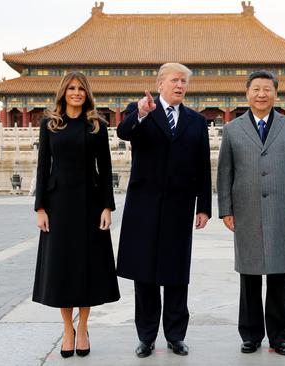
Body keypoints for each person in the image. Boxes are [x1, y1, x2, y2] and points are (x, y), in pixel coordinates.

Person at [116, 62, 212, 358]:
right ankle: (146, 337)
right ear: (160, 85)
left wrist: (204, 207)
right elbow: (123, 132)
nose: (180, 86)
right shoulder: (142, 109)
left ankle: (175, 335)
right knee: (144, 274)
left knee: (175, 273)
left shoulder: (196, 122)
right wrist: (142, 114)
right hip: (143, 206)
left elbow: (202, 167)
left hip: (179, 207)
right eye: (174, 80)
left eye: (184, 81)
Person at [217, 70, 285, 356]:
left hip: (281, 209)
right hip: (246, 210)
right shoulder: (233, 129)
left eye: (267, 89)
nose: (261, 94)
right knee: (249, 275)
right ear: (247, 93)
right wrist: (226, 210)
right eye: (256, 89)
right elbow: (225, 173)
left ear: (276, 94)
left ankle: (279, 336)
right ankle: (250, 334)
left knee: (278, 275)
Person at [32, 71, 120, 358]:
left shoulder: (96, 125)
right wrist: (40, 208)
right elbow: (43, 166)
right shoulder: (50, 124)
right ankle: (67, 328)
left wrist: (107, 206)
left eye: (81, 89)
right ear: (63, 92)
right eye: (71, 88)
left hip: (90, 204)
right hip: (58, 205)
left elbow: (105, 169)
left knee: (87, 268)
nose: (76, 93)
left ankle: (83, 327)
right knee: (62, 267)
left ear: (87, 93)